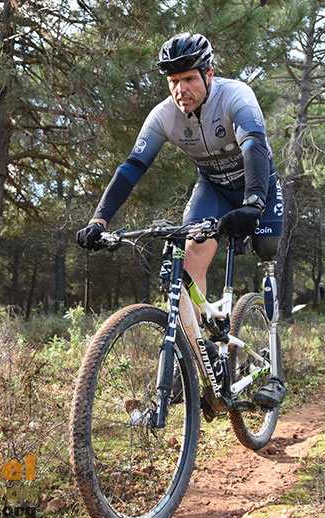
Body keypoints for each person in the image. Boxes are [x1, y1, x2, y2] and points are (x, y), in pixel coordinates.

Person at [76, 33, 285, 407]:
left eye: (188, 78)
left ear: (209, 73)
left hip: (258, 185)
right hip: (215, 189)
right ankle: (196, 355)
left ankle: (275, 373)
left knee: (267, 249)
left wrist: (254, 203)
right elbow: (131, 168)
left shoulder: (236, 96)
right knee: (190, 261)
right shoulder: (163, 116)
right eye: (173, 82)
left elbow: (254, 145)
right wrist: (100, 220)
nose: (180, 89)